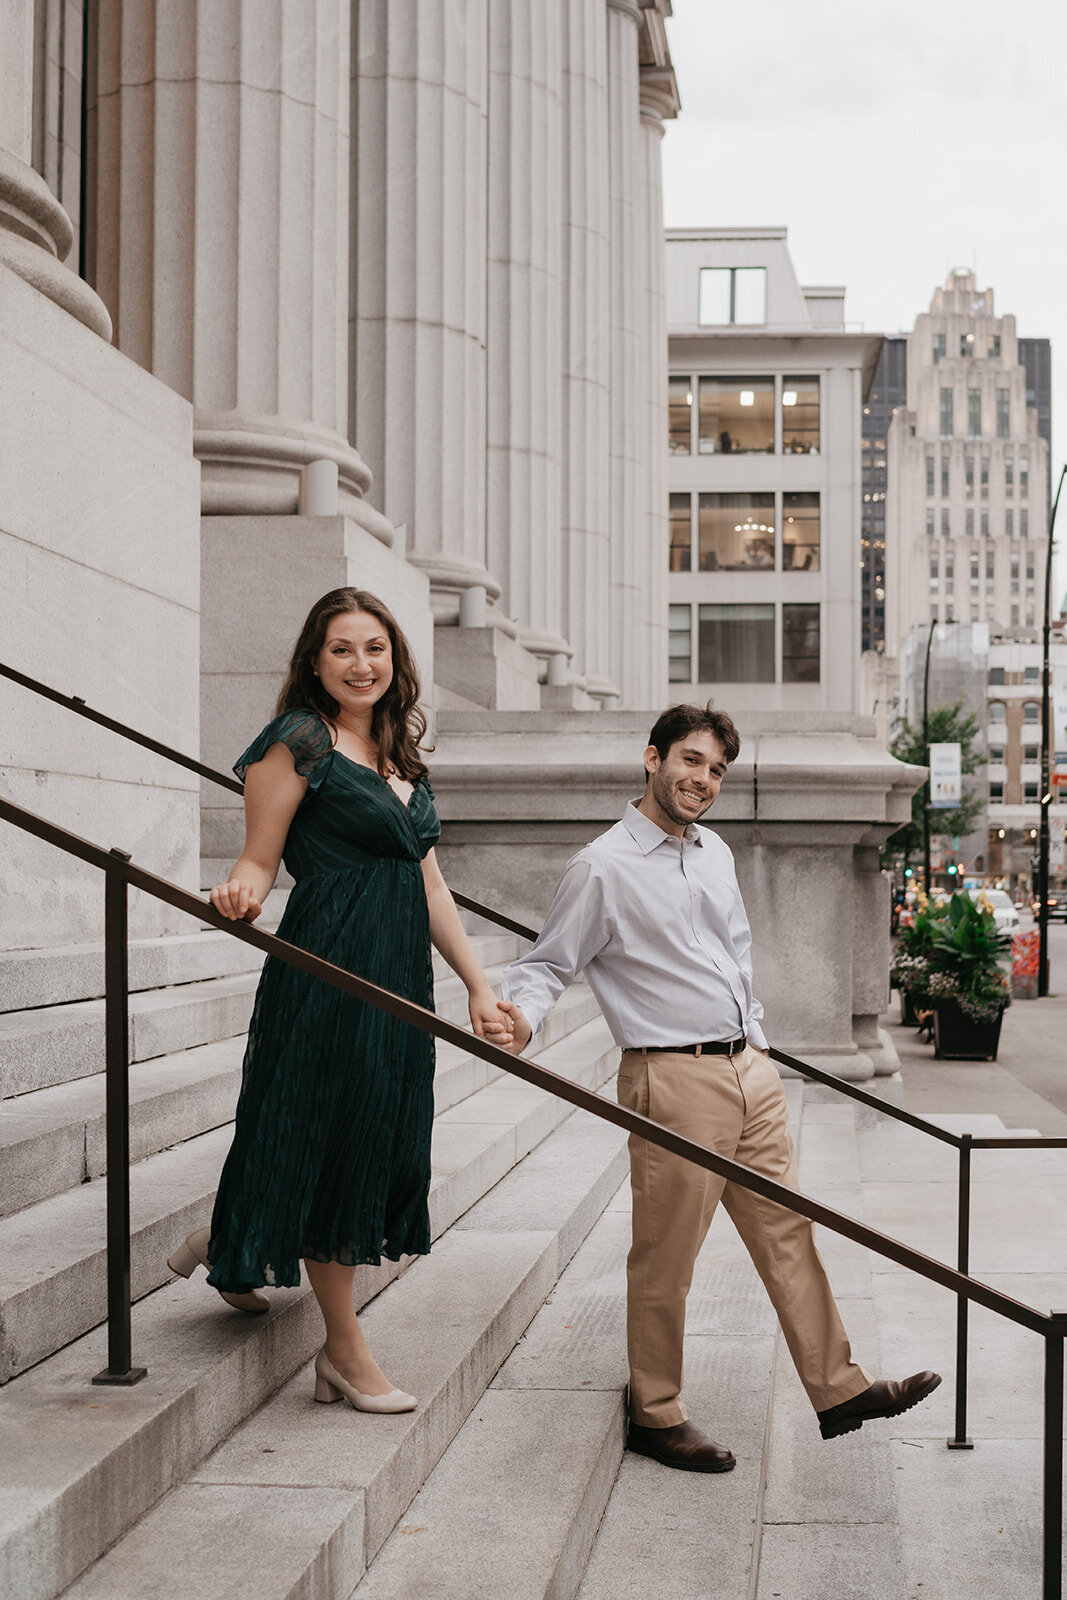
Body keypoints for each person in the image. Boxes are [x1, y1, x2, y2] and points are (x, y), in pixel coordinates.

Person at [498, 703, 940, 1472]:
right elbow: (546, 964)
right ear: (653, 758)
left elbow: (735, 955)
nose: (702, 779)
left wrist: (756, 1043)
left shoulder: (713, 853)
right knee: (667, 1255)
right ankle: (655, 1412)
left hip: (747, 1071)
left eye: (716, 769)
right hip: (671, 1078)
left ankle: (838, 1388)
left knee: (788, 1231)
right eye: (690, 760)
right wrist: (519, 1018)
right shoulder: (601, 867)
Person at [167, 587, 513, 1414]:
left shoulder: (397, 752)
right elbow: (259, 858)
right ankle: (344, 1353)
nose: (361, 664)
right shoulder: (298, 742)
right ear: (314, 663)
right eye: (342, 649)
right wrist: (240, 893)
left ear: (395, 659)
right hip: (329, 963)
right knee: (338, 1134)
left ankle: (229, 1238)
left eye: (374, 648)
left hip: (397, 975)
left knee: (368, 1129)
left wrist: (477, 985)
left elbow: (430, 883)